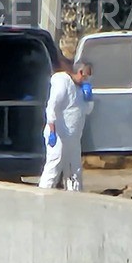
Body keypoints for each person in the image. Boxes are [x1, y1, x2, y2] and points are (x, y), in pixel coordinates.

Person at [38, 59, 95, 191]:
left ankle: (74, 199)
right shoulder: (63, 82)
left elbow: (86, 111)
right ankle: (42, 197)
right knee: (54, 166)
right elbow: (52, 107)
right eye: (87, 75)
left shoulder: (80, 89)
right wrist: (52, 131)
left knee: (75, 170)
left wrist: (89, 99)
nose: (88, 79)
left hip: (73, 138)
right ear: (80, 72)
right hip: (59, 134)